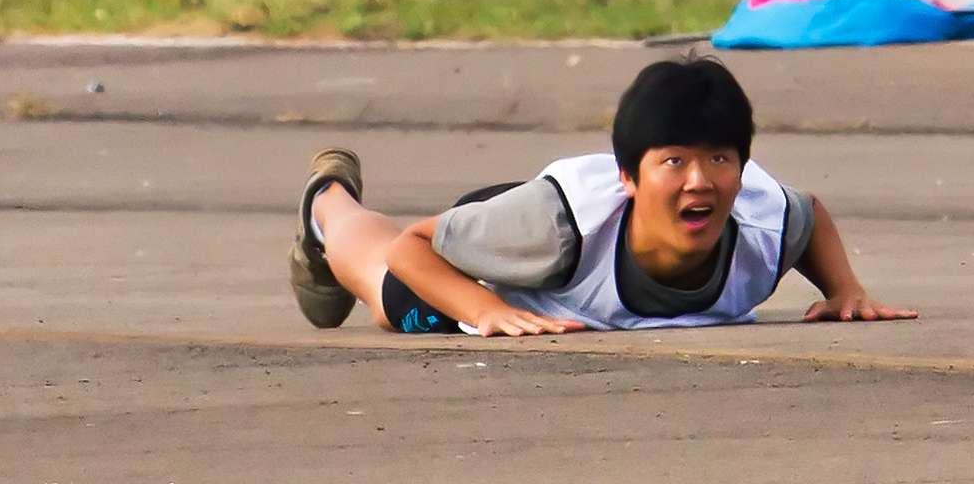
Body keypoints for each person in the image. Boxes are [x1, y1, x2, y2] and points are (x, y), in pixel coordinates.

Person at [285, 57, 909, 335]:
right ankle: (328, 203)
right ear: (629, 176)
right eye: (674, 161)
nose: (700, 180)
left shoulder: (762, 221)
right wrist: (482, 311)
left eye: (720, 159)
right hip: (520, 250)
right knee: (385, 292)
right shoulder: (554, 228)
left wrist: (845, 292)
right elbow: (410, 246)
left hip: (549, 248)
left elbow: (810, 216)